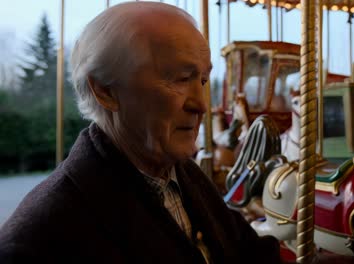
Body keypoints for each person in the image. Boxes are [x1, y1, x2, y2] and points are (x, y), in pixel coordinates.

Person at [0, 2, 281, 263]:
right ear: (105, 90)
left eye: (203, 80)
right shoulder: (41, 237)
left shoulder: (183, 174)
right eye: (181, 79)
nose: (201, 104)